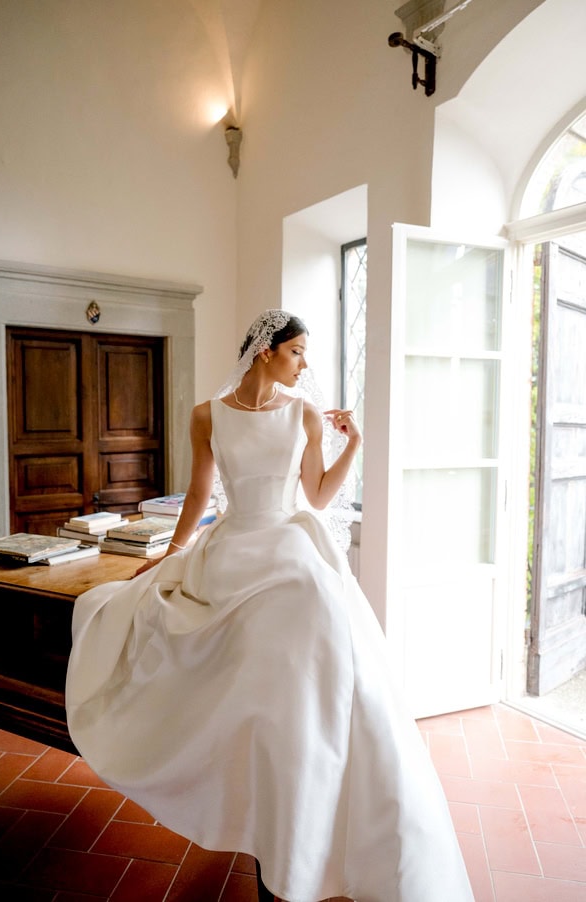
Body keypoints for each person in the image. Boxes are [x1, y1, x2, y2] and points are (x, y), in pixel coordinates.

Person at [66, 310, 474, 902]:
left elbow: (317, 496)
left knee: (309, 608)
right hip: (229, 548)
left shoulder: (303, 414)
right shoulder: (206, 415)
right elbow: (201, 492)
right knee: (150, 616)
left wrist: (354, 444)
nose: (304, 364)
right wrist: (171, 554)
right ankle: (239, 777)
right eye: (297, 352)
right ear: (266, 351)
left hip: (287, 545)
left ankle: (309, 780)